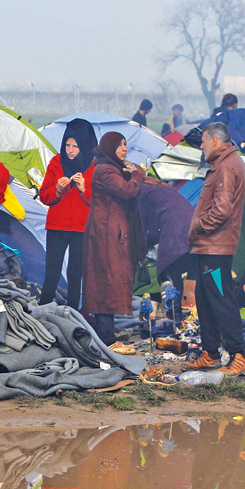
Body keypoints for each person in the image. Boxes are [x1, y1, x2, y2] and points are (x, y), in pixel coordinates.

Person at [184, 122, 245, 375]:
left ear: (214, 141)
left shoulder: (226, 167)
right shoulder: (225, 164)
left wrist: (197, 227)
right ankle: (210, 353)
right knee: (206, 300)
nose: (200, 146)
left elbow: (222, 210)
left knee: (222, 300)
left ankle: (238, 355)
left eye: (203, 140)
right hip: (209, 248)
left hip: (216, 249)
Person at [82, 132, 147, 344]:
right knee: (105, 283)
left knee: (106, 283)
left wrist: (129, 173)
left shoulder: (110, 168)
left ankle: (106, 336)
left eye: (125, 144)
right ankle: (106, 338)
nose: (124, 149)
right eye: (120, 145)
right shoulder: (106, 170)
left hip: (109, 233)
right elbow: (127, 191)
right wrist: (137, 175)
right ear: (110, 148)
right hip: (107, 236)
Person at [38, 119, 97, 310]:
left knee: (75, 274)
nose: (70, 150)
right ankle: (43, 309)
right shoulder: (56, 162)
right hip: (57, 226)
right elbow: (44, 196)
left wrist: (83, 189)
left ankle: (73, 313)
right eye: (67, 145)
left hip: (81, 228)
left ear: (86, 146)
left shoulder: (94, 167)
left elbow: (98, 201)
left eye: (76, 146)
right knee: (52, 272)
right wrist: (56, 191)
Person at [137, 181, 194, 299]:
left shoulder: (141, 191)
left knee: (168, 271)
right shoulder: (160, 187)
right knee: (182, 270)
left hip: (174, 230)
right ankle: (182, 309)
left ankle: (173, 310)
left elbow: (141, 223)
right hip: (194, 228)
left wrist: (143, 242)